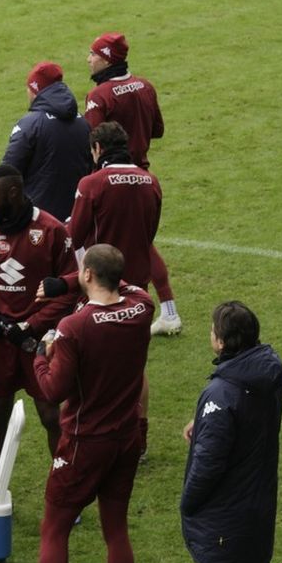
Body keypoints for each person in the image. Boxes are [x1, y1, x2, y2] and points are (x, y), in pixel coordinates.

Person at [9, 245, 153, 563]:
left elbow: (53, 390)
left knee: (54, 528)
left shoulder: (75, 327)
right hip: (126, 436)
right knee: (116, 528)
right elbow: (120, 281)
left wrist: (39, 355)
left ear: (87, 274)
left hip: (84, 442)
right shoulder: (142, 305)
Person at [179, 301, 282, 563]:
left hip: (223, 517)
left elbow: (208, 465)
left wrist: (188, 503)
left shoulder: (221, 393)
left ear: (222, 342)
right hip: (257, 507)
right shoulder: (266, 376)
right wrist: (202, 421)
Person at [0, 164, 77, 477]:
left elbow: (70, 288)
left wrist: (32, 324)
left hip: (38, 340)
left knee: (50, 415)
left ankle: (63, 486)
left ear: (13, 192)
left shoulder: (52, 230)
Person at [67, 120, 162, 455]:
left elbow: (74, 236)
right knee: (135, 365)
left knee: (89, 362)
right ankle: (139, 437)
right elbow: (150, 233)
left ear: (97, 149)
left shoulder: (91, 183)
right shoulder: (151, 181)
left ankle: (92, 435)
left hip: (100, 285)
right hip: (137, 284)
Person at [85, 32, 181, 336]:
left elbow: (92, 142)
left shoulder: (99, 96)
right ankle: (168, 311)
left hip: (112, 181)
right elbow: (158, 129)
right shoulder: (145, 85)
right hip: (144, 176)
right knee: (143, 244)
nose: (88, 58)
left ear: (107, 58)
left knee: (99, 244)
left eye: (93, 53)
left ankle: (111, 312)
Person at [1, 61, 91, 222]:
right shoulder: (82, 122)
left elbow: (8, 171)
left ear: (36, 90)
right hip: (76, 216)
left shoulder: (30, 124)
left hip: (38, 218)